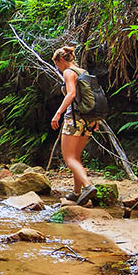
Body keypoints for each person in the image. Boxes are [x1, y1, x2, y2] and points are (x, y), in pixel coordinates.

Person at [50, 45, 98, 205]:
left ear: (61, 60)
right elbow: (92, 96)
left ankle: (87, 186)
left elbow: (71, 94)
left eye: (57, 64)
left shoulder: (68, 72)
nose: (58, 68)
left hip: (74, 119)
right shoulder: (83, 72)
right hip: (89, 119)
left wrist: (58, 113)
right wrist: (95, 119)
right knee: (76, 157)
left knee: (69, 158)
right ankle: (77, 192)